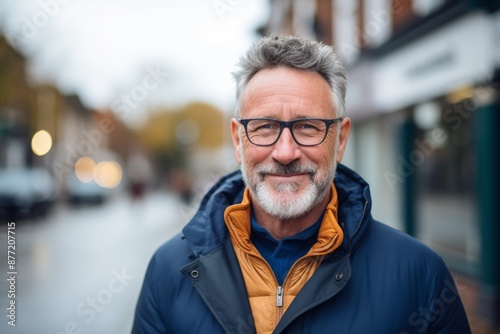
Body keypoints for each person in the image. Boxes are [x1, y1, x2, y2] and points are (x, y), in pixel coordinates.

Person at [132, 35, 471, 334]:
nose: (285, 152)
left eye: (308, 127)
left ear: (340, 140)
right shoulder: (167, 271)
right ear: (238, 140)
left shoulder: (420, 277)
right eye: (264, 127)